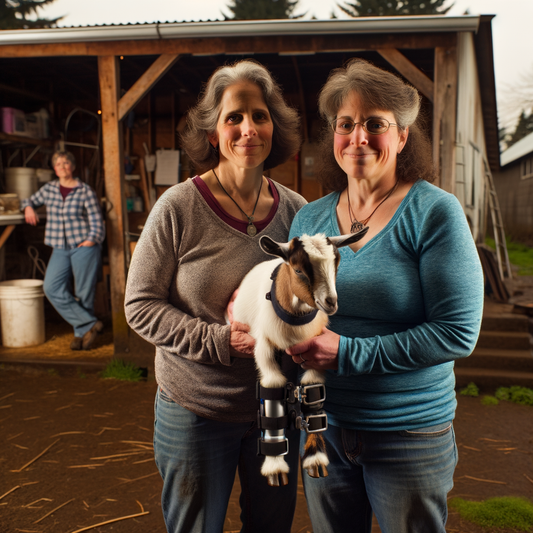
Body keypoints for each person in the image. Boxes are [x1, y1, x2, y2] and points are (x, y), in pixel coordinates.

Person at [285, 58, 484, 533]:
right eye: (345, 124)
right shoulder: (307, 221)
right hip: (323, 426)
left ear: (402, 136)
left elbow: (458, 332)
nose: (358, 137)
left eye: (375, 124)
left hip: (407, 431)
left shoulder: (433, 212)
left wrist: (348, 353)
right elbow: (290, 308)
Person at [124, 59, 306, 533]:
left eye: (260, 116)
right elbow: (139, 305)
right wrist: (220, 341)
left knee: (271, 526)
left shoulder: (297, 213)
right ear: (213, 133)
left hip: (276, 410)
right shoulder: (179, 208)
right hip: (197, 409)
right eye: (234, 117)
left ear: (274, 126)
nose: (249, 129)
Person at [21, 151, 105, 351]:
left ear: (72, 167)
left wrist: (91, 240)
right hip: (59, 246)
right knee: (51, 287)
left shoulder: (85, 191)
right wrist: (28, 208)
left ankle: (80, 335)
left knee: (84, 292)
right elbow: (27, 200)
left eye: (66, 162)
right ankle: (90, 323)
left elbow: (96, 221)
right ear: (54, 168)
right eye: (58, 163)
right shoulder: (49, 189)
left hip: (83, 246)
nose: (62, 166)